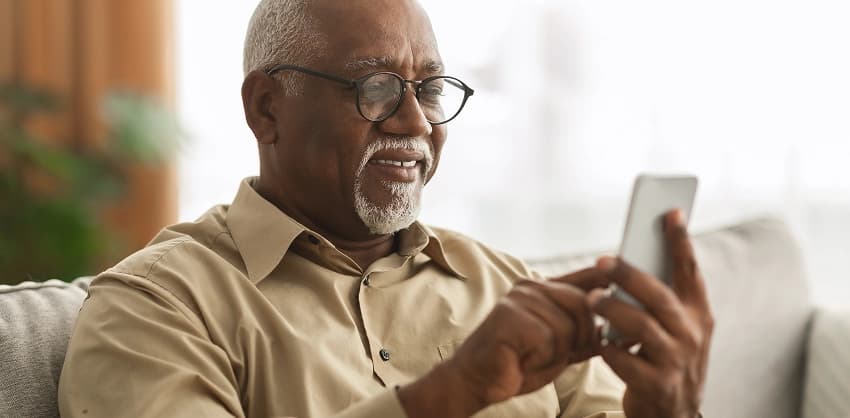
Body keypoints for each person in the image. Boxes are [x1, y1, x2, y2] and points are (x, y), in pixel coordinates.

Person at [58, 0, 713, 417]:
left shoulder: (510, 286)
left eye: (429, 90)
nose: (416, 122)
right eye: (375, 87)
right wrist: (452, 392)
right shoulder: (156, 306)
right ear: (266, 108)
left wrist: (670, 408)